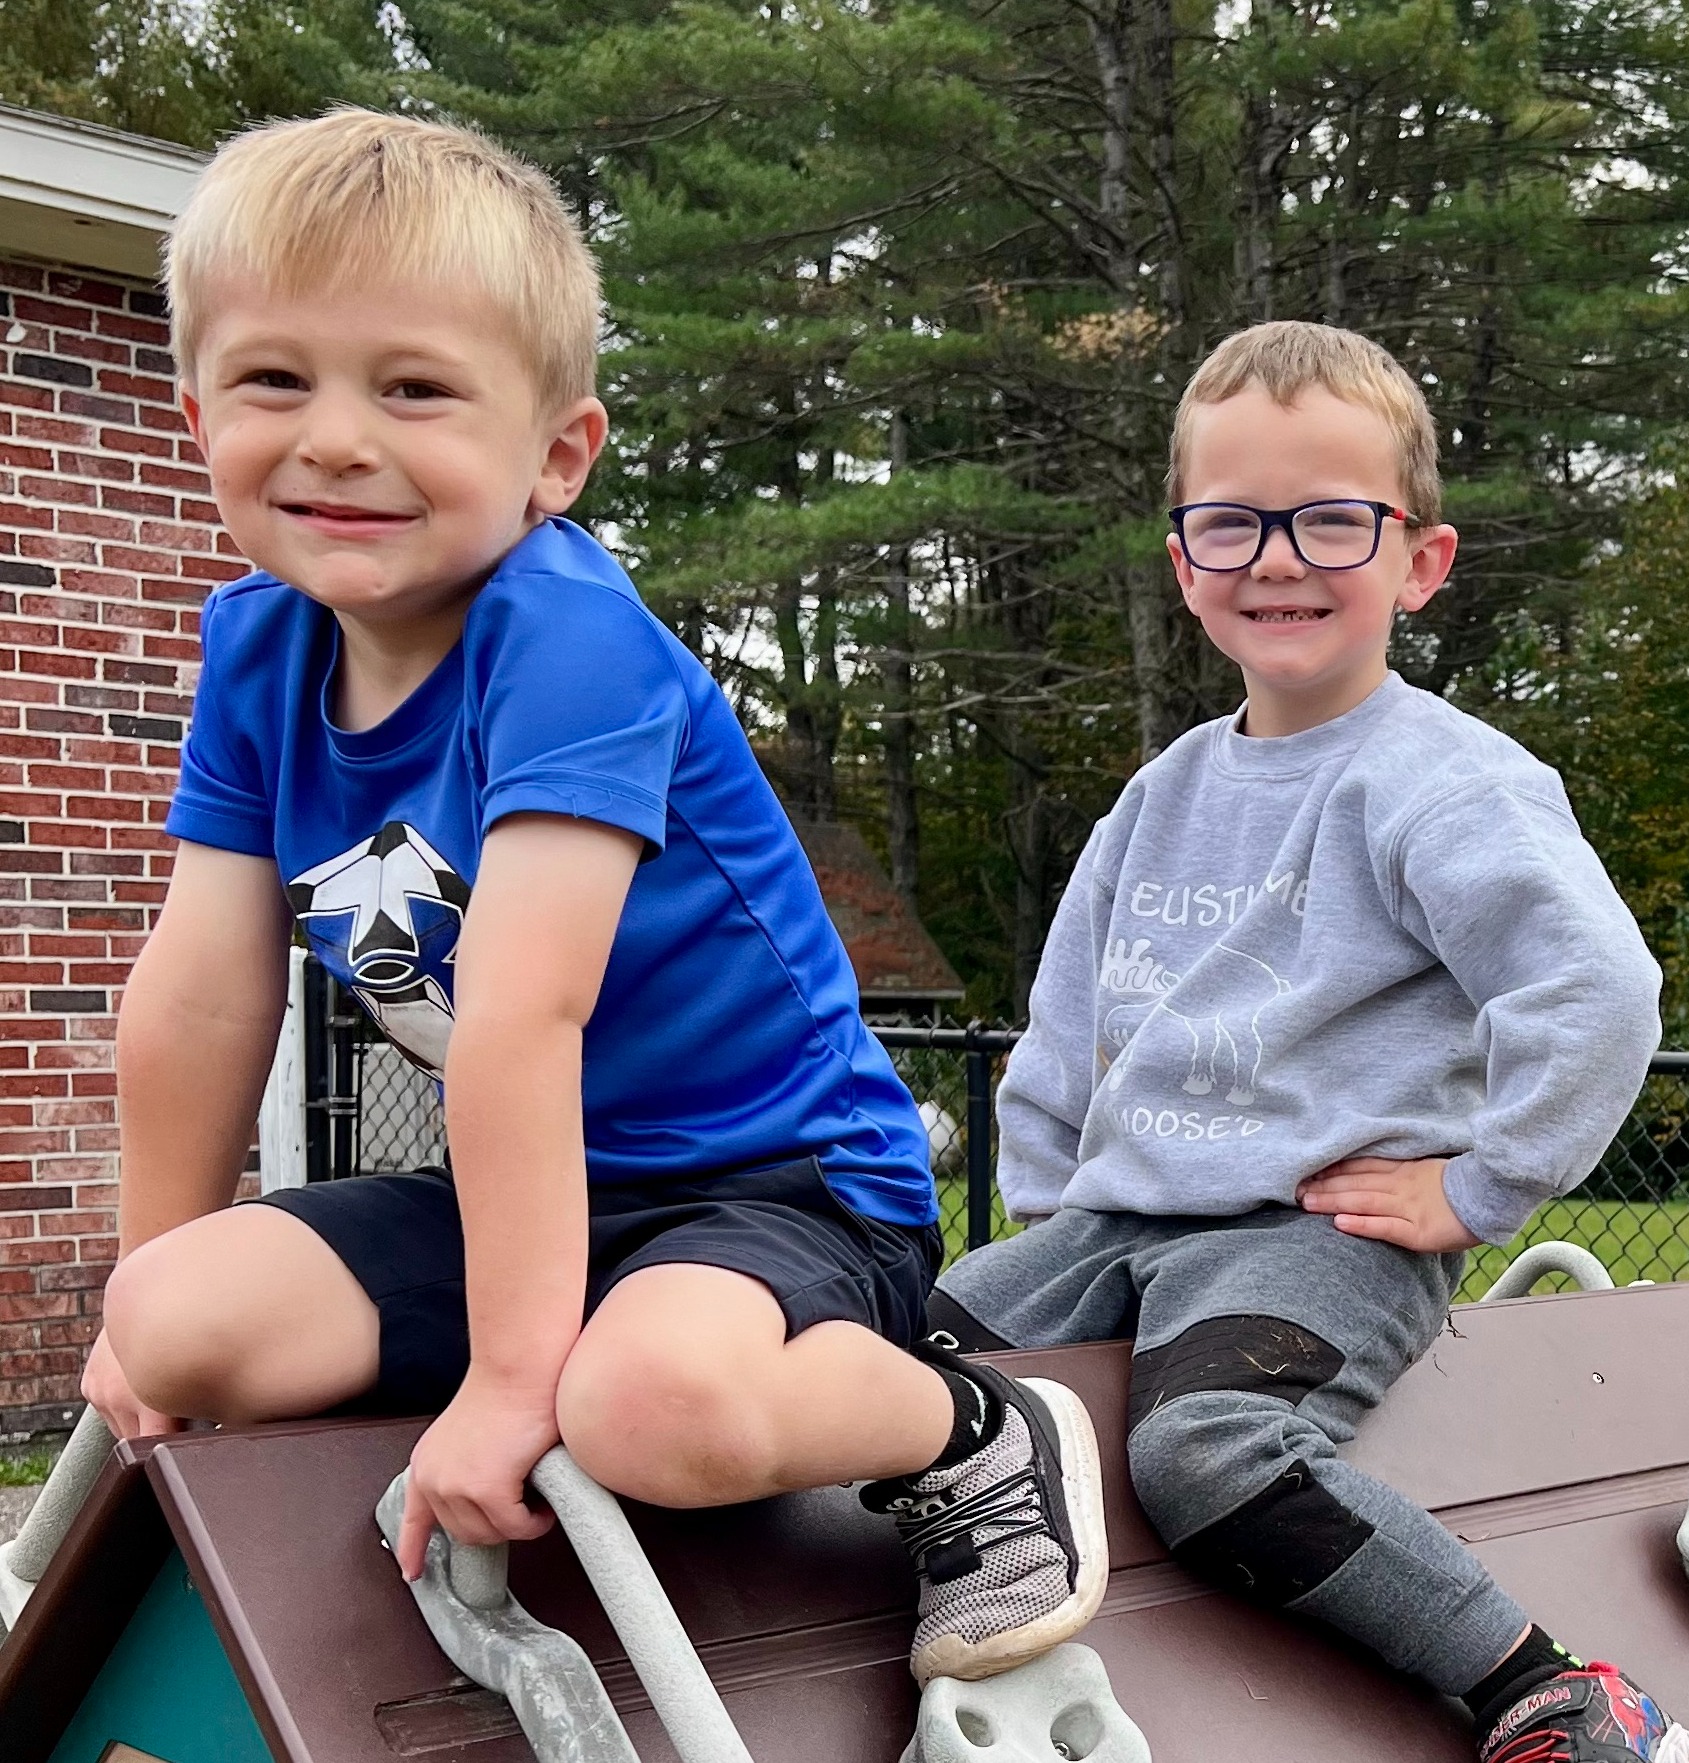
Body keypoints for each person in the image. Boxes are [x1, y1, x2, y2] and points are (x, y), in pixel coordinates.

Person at [79, 110, 1107, 1684]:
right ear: (196, 410)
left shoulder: (567, 639)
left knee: (643, 1411)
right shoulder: (255, 652)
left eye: (413, 388)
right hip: (529, 1187)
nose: (336, 438)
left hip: (774, 1179)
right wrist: (134, 1305)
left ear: (555, 454)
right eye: (274, 380)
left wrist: (510, 1379)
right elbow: (204, 992)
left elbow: (521, 1010)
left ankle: (963, 1423)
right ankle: (497, 1403)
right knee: (181, 1315)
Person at [930, 320, 1689, 1763]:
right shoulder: (1158, 794)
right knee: (906, 1360)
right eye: (1230, 522)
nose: (1276, 557)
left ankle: (1539, 1684)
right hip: (1116, 1220)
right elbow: (1065, 1018)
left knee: (1203, 1445)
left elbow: (1596, 988)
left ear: (1419, 559)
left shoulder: (1447, 783)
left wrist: (1477, 1188)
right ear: (1183, 563)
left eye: (1330, 519)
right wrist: (1051, 1202)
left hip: (1310, 1233)